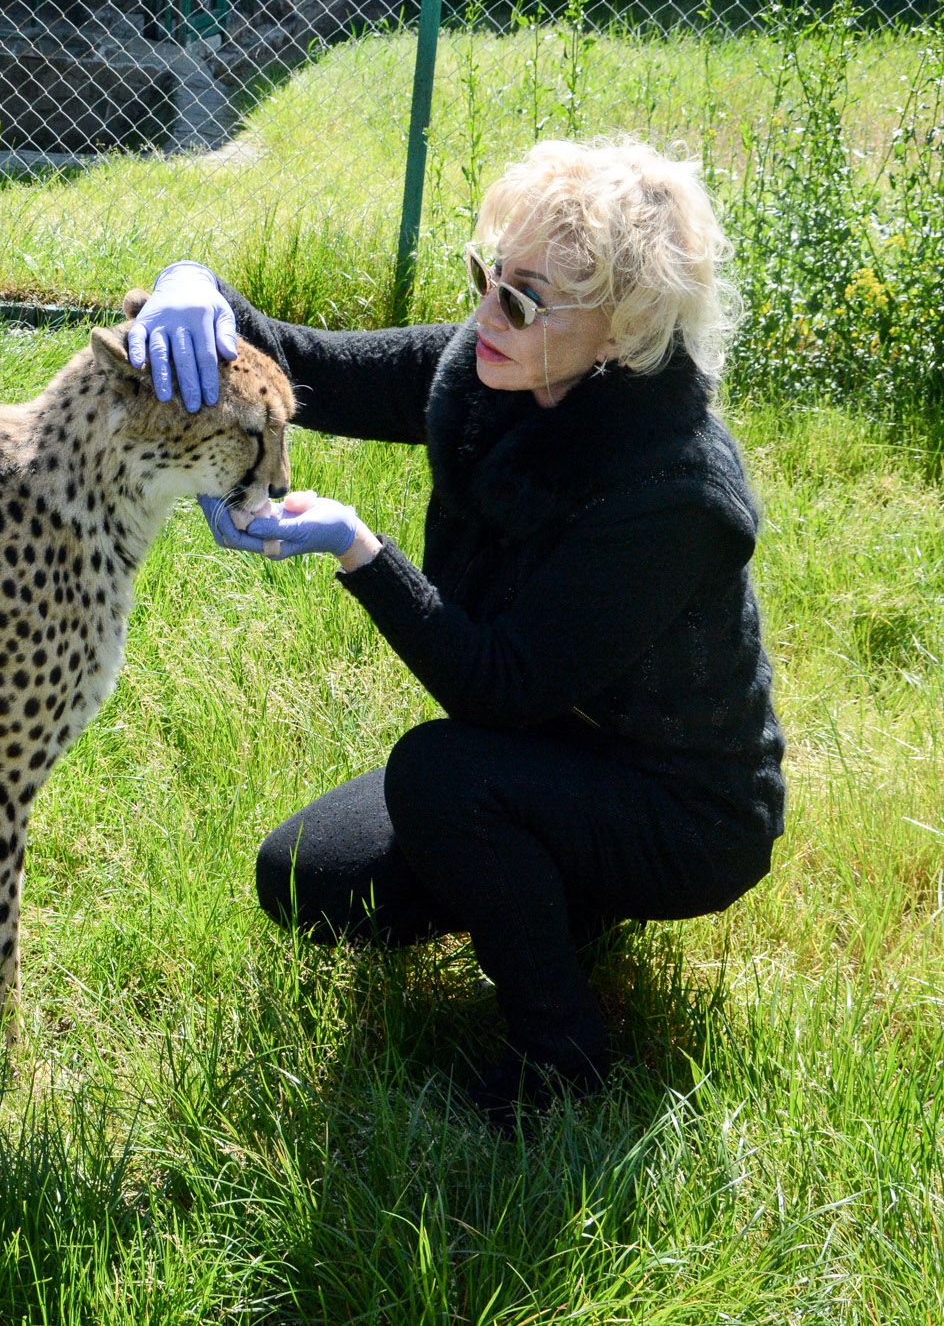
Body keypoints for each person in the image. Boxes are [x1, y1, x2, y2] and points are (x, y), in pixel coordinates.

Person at [126, 137, 784, 1125]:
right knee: (306, 880)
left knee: (441, 774)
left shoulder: (670, 489)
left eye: (522, 299)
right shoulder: (498, 366)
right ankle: (558, 892)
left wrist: (355, 548)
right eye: (486, 274)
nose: (486, 312)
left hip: (683, 810)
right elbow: (312, 366)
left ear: (618, 329)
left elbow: (496, 687)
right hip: (558, 743)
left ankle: (560, 1055)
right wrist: (189, 287)